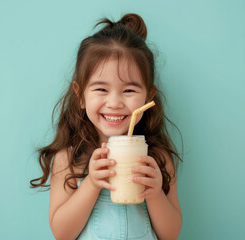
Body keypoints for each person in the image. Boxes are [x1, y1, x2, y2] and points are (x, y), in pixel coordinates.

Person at [30, 13, 182, 240]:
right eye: (101, 89)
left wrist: (155, 194)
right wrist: (91, 183)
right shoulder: (69, 160)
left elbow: (170, 234)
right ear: (80, 94)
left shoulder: (157, 158)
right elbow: (62, 234)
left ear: (148, 97)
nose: (115, 103)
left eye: (129, 90)